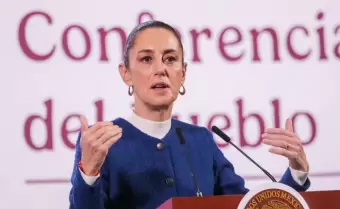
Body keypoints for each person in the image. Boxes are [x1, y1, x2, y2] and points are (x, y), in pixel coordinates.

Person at [68, 20, 311, 209]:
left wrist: (297, 174)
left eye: (170, 59)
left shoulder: (200, 140)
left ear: (182, 73)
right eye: (146, 59)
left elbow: (248, 207)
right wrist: (89, 174)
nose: (160, 69)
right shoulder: (103, 144)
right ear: (126, 74)